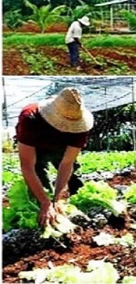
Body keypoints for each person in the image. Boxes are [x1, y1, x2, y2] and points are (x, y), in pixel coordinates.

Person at [16, 88, 94, 227]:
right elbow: (27, 165)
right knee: (39, 184)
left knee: (74, 178)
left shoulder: (80, 129)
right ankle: (44, 216)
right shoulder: (30, 117)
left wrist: (58, 198)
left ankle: (80, 212)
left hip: (62, 147)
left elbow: (67, 163)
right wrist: (45, 202)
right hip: (36, 147)